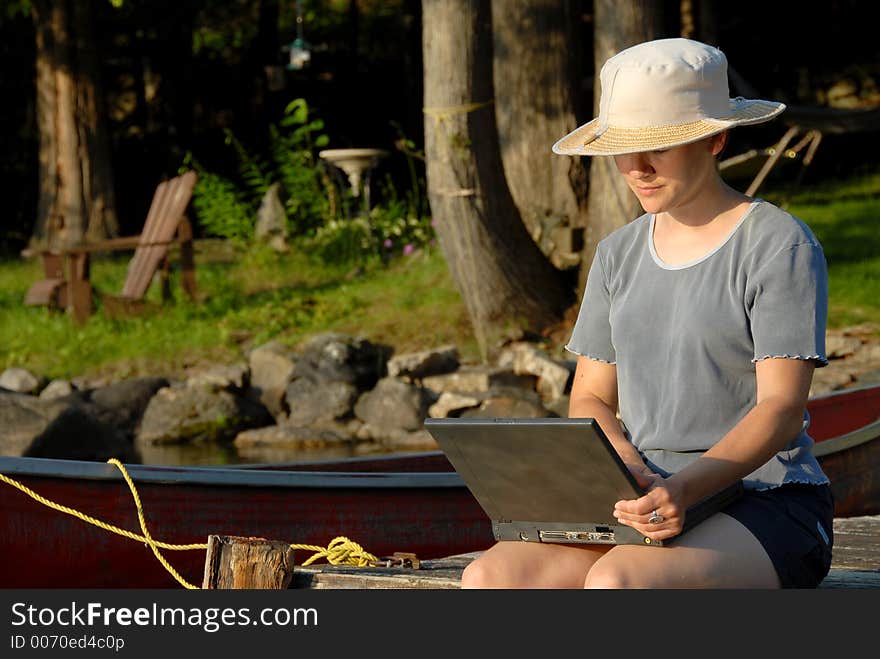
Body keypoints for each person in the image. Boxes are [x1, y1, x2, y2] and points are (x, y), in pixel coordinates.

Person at [461, 37, 834, 589]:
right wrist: (622, 467)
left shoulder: (779, 244)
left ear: (716, 138)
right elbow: (589, 396)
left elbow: (780, 408)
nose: (636, 167)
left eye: (658, 145)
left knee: (617, 584)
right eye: (623, 148)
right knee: (488, 578)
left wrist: (684, 488)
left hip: (767, 499)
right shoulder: (617, 254)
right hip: (637, 499)